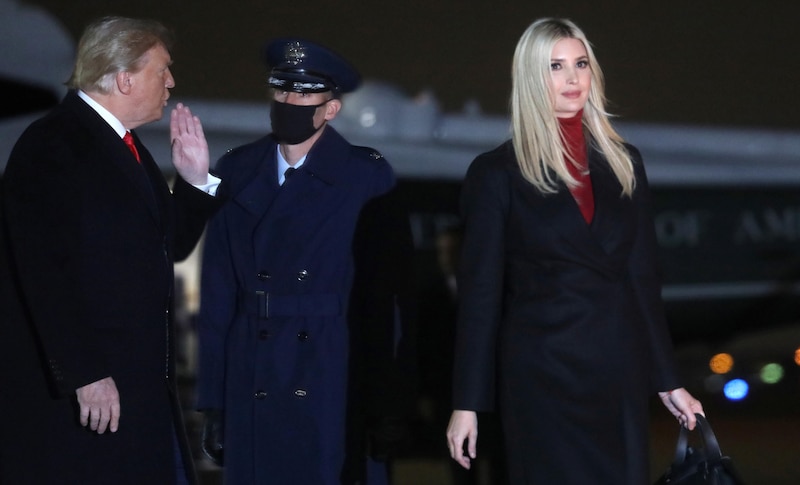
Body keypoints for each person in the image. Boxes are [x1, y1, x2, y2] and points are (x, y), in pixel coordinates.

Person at [445, 17, 705, 484]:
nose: (572, 78)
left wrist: (669, 379)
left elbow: (643, 280)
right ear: (530, 78)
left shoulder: (625, 163)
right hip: (542, 377)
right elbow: (480, 296)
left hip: (615, 370)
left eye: (580, 63)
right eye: (555, 66)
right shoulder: (496, 173)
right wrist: (468, 402)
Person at [0, 16, 224, 485]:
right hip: (89, 399)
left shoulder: (126, 146)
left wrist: (195, 180)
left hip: (134, 392)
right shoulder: (52, 144)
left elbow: (168, 248)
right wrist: (86, 374)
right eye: (162, 70)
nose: (172, 82)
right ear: (124, 77)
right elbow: (42, 272)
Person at [195, 37, 414, 485]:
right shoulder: (235, 171)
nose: (289, 100)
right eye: (281, 88)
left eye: (304, 92)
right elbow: (218, 294)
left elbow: (387, 299)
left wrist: (387, 402)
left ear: (331, 109)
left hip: (329, 365)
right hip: (251, 364)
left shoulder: (366, 176)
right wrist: (214, 401)